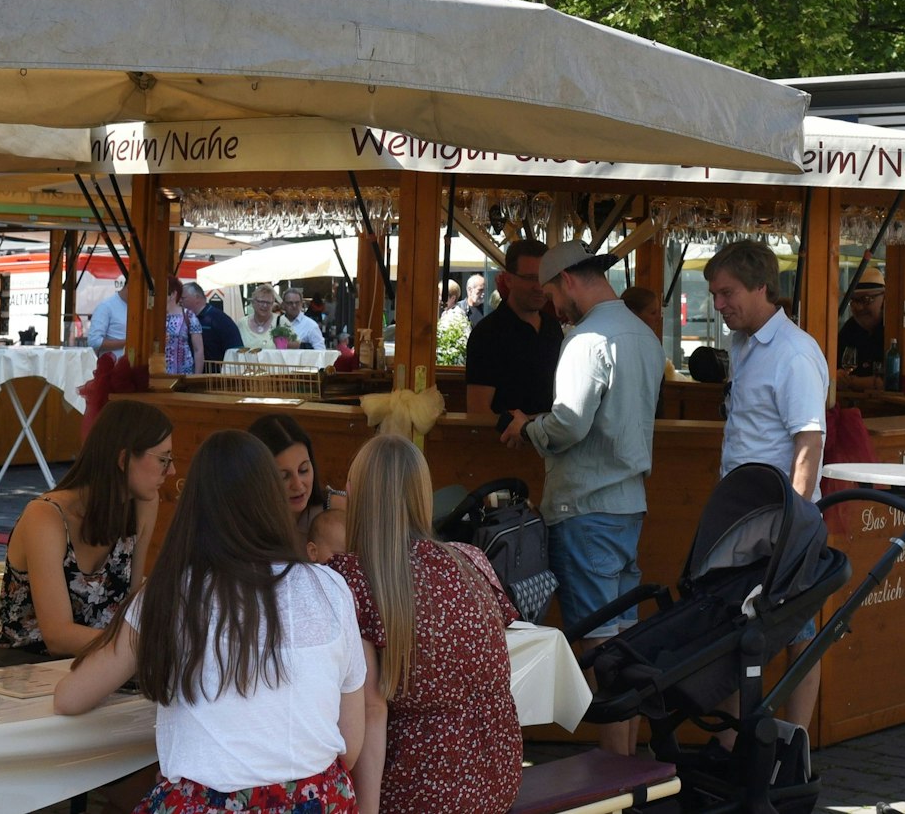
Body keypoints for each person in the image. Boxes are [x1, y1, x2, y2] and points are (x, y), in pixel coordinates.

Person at [53, 430, 367, 810]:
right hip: (321, 800)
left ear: (194, 507)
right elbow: (350, 745)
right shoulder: (331, 587)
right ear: (272, 500)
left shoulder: (170, 591)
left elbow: (70, 697)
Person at [501, 241, 660, 756]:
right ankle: (627, 765)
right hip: (628, 504)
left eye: (551, 293)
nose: (552, 306)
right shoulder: (643, 334)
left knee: (599, 649)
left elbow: (569, 424)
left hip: (584, 508)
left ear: (567, 280)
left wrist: (528, 428)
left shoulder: (587, 339)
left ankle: (615, 773)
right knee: (624, 642)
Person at [331, 434, 520, 814]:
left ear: (354, 494)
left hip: (417, 789)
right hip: (499, 777)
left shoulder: (353, 578)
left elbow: (372, 709)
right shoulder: (472, 559)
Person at [703, 239, 829, 728]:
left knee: (798, 632)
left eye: (727, 292)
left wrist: (794, 527)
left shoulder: (793, 353)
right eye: (714, 294)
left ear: (761, 287)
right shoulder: (744, 343)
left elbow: (809, 441)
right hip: (743, 518)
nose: (718, 304)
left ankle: (793, 746)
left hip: (779, 522)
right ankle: (736, 744)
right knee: (738, 629)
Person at [0, 399, 173, 656]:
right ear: (124, 459)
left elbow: (131, 610)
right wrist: (147, 648)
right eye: (163, 460)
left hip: (104, 662)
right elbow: (58, 637)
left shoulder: (142, 505)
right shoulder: (45, 517)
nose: (171, 470)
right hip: (27, 666)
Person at [463, 239, 562, 423]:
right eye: (530, 278)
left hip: (554, 438)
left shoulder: (552, 328)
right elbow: (478, 411)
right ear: (508, 280)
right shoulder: (488, 334)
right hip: (506, 440)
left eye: (544, 277)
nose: (539, 287)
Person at [250, 412, 346, 540]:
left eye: (303, 470)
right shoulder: (246, 522)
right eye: (284, 476)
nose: (298, 485)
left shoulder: (339, 510)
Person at [620, 285, 682, 380]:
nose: (658, 318)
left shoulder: (652, 345)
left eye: (659, 312)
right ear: (633, 315)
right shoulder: (624, 349)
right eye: (653, 313)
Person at [837, 265, 888, 376]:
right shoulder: (850, 329)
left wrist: (852, 381)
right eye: (854, 300)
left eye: (866, 299)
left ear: (884, 299)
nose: (859, 307)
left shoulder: (899, 329)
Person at [182, 281, 240, 371]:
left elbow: (236, 350)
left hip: (215, 375)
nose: (180, 301)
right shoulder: (184, 319)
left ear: (196, 297)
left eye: (183, 298)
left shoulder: (219, 319)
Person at [163, 277, 205, 376]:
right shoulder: (153, 316)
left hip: (184, 373)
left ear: (173, 294)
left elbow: (198, 349)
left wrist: (196, 377)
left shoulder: (188, 315)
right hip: (160, 373)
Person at [239, 283, 293, 350]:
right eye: (261, 302)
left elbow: (296, 344)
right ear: (253, 303)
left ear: (272, 304)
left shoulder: (281, 321)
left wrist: (284, 343)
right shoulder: (242, 323)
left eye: (268, 302)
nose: (264, 305)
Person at [88, 276, 129, 359]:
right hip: (112, 365)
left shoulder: (139, 309)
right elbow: (94, 341)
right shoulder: (106, 307)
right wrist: (128, 343)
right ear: (129, 286)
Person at [282, 286, 328, 350]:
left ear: (301, 304)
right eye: (290, 303)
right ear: (283, 305)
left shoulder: (311, 326)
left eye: (297, 303)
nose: (294, 306)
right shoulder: (275, 323)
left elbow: (321, 351)